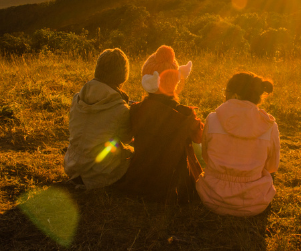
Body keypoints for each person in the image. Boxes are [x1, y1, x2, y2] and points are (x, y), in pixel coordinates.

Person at [117, 45, 203, 203]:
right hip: (173, 185)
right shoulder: (185, 115)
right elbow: (200, 138)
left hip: (139, 179)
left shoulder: (136, 111)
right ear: (175, 82)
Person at [196, 72, 280, 216]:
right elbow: (272, 167)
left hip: (211, 197)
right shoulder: (269, 126)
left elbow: (206, 157)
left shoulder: (212, 119)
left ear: (235, 95)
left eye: (226, 92)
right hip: (255, 202)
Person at [63, 48, 133, 189]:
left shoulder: (77, 98)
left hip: (72, 166)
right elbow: (126, 138)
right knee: (131, 154)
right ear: (123, 76)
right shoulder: (120, 109)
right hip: (100, 174)